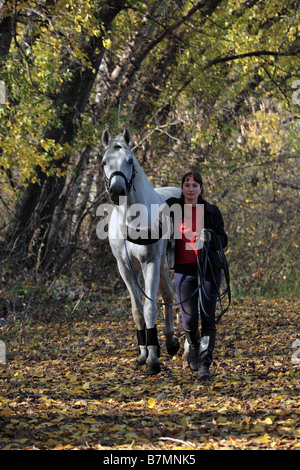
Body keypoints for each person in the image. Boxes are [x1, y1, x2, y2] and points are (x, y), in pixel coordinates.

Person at [123, 171, 228, 380]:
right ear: (182, 188)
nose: (190, 189)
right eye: (187, 185)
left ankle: (204, 363)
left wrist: (210, 238)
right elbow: (153, 232)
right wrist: (128, 234)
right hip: (184, 270)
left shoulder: (211, 211)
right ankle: (194, 348)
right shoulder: (172, 208)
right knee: (189, 320)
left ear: (200, 189)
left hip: (209, 270)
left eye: (195, 185)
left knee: (208, 318)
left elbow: (223, 241)